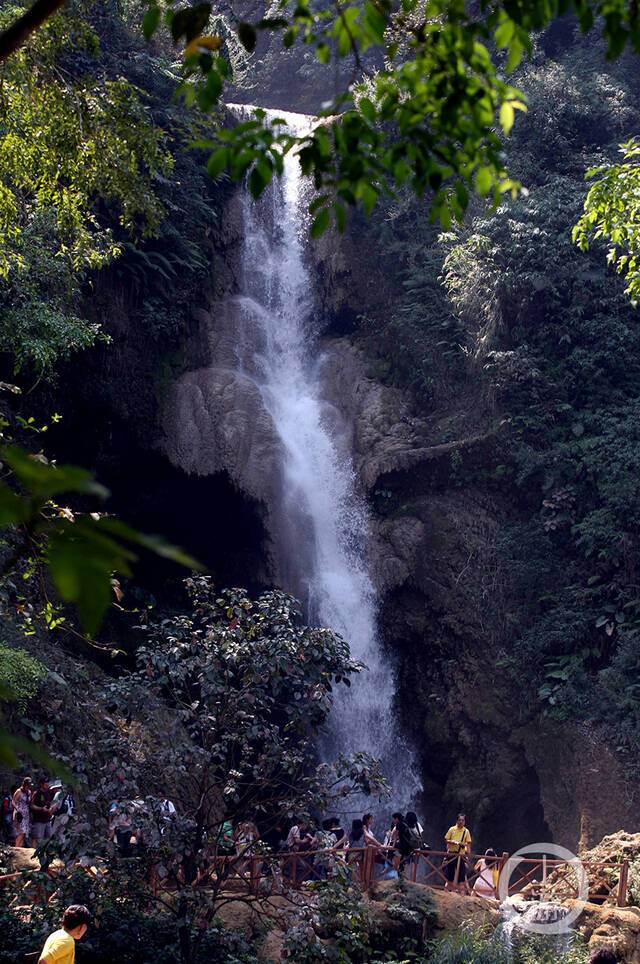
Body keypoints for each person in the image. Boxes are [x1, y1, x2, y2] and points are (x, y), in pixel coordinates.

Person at [444, 813, 472, 894]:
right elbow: (446, 839)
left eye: (463, 820)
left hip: (461, 856)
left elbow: (468, 844)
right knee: (449, 877)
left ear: (465, 821)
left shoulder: (466, 831)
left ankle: (462, 897)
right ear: (457, 820)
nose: (461, 822)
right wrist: (454, 842)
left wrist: (467, 856)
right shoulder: (452, 829)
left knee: (462, 878)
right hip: (452, 855)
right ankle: (445, 894)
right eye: (459, 820)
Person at [31, 775, 54, 846]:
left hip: (47, 820)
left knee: (49, 837)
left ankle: (44, 854)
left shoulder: (48, 793)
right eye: (45, 783)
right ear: (41, 784)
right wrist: (41, 809)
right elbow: (31, 805)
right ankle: (32, 853)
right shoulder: (36, 793)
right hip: (38, 820)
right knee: (37, 838)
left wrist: (50, 809)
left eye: (48, 783)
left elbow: (50, 803)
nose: (47, 784)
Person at [12, 776, 32, 847]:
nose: (29, 786)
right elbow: (13, 801)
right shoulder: (18, 791)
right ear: (24, 784)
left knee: (24, 833)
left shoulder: (29, 792)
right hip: (19, 814)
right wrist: (17, 810)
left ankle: (20, 849)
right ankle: (16, 848)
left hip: (26, 814)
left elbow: (29, 803)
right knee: (20, 832)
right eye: (28, 785)